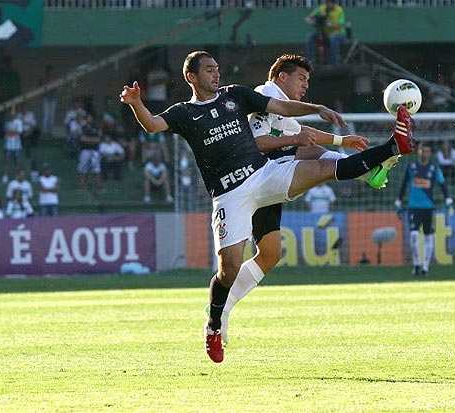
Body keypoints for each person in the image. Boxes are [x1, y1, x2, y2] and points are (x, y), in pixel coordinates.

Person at [120, 50, 414, 363]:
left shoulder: (235, 96)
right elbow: (152, 125)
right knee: (229, 269)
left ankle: (391, 148)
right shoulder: (184, 113)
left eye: (217, 68)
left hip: (262, 175)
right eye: (208, 70)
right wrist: (136, 102)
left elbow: (284, 109)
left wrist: (316, 108)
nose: (216, 74)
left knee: (323, 167)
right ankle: (214, 323)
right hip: (230, 194)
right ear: (191, 76)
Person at [214, 54, 399, 346]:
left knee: (271, 253)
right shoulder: (264, 96)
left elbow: (303, 134)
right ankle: (378, 160)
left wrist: (342, 141)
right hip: (250, 180)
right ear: (281, 77)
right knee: (318, 161)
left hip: (267, 179)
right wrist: (298, 140)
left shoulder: (281, 110)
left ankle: (222, 308)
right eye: (301, 78)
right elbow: (258, 144)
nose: (305, 86)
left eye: (308, 81)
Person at [395, 142, 452, 277]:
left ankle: (425, 267)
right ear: (418, 152)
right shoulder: (411, 167)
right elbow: (403, 185)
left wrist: (448, 200)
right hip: (414, 207)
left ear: (430, 153)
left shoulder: (434, 168)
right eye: (422, 150)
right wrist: (398, 203)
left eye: (427, 151)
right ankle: (416, 263)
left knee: (428, 237)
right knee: (414, 235)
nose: (424, 153)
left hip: (429, 208)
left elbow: (443, 185)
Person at [305, 0, 347, 66]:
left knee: (333, 38)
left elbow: (341, 25)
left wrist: (330, 24)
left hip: (339, 34)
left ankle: (335, 62)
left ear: (333, 3)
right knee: (310, 36)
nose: (326, 4)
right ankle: (309, 61)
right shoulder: (321, 8)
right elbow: (308, 18)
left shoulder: (339, 10)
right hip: (325, 33)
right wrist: (311, 21)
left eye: (329, 2)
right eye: (326, 2)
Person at [77, 114, 102, 191]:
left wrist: (88, 139)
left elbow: (98, 140)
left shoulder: (96, 128)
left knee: (96, 170)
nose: (89, 119)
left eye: (90, 118)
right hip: (85, 151)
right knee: (82, 169)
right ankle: (81, 188)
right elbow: (82, 139)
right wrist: (92, 139)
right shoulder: (83, 128)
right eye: (88, 118)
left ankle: (98, 188)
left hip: (95, 151)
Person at [1, 110, 24, 184]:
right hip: (8, 146)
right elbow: (7, 132)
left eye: (13, 114)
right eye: (11, 114)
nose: (12, 116)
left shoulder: (19, 122)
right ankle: (5, 176)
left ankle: (17, 176)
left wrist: (12, 131)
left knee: (17, 162)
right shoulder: (7, 123)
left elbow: (19, 131)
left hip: (16, 146)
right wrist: (13, 131)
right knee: (6, 162)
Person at [39, 64, 58, 139]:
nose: (49, 72)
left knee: (51, 116)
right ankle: (44, 132)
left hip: (53, 99)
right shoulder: (43, 79)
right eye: (48, 70)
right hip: (45, 99)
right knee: (46, 115)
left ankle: (50, 132)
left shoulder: (54, 78)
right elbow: (40, 88)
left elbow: (56, 88)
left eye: (51, 70)